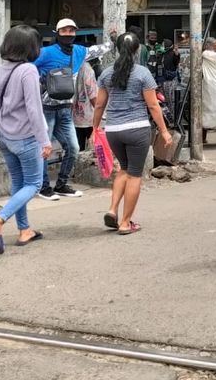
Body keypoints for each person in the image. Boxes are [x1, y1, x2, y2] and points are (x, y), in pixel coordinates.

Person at [0, 26, 52, 254]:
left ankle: (24, 230)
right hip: (25, 139)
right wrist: (45, 141)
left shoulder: (1, 70)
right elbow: (34, 110)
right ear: (30, 48)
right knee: (34, 184)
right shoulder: (28, 70)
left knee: (19, 184)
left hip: (4, 138)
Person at [93, 32, 173, 235]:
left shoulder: (106, 74)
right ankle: (126, 222)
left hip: (113, 130)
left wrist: (95, 128)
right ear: (138, 50)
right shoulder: (143, 73)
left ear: (117, 49)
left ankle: (112, 210)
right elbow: (154, 106)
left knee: (124, 169)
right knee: (135, 175)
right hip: (137, 129)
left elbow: (100, 104)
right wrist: (164, 132)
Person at [33, 18, 90, 200]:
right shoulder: (46, 52)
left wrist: (114, 39)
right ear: (57, 33)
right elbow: (28, 68)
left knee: (73, 147)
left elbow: (99, 50)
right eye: (64, 31)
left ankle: (61, 184)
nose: (68, 34)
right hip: (46, 108)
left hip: (65, 108)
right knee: (44, 148)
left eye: (71, 31)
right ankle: (43, 187)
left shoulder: (80, 52)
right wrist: (40, 80)